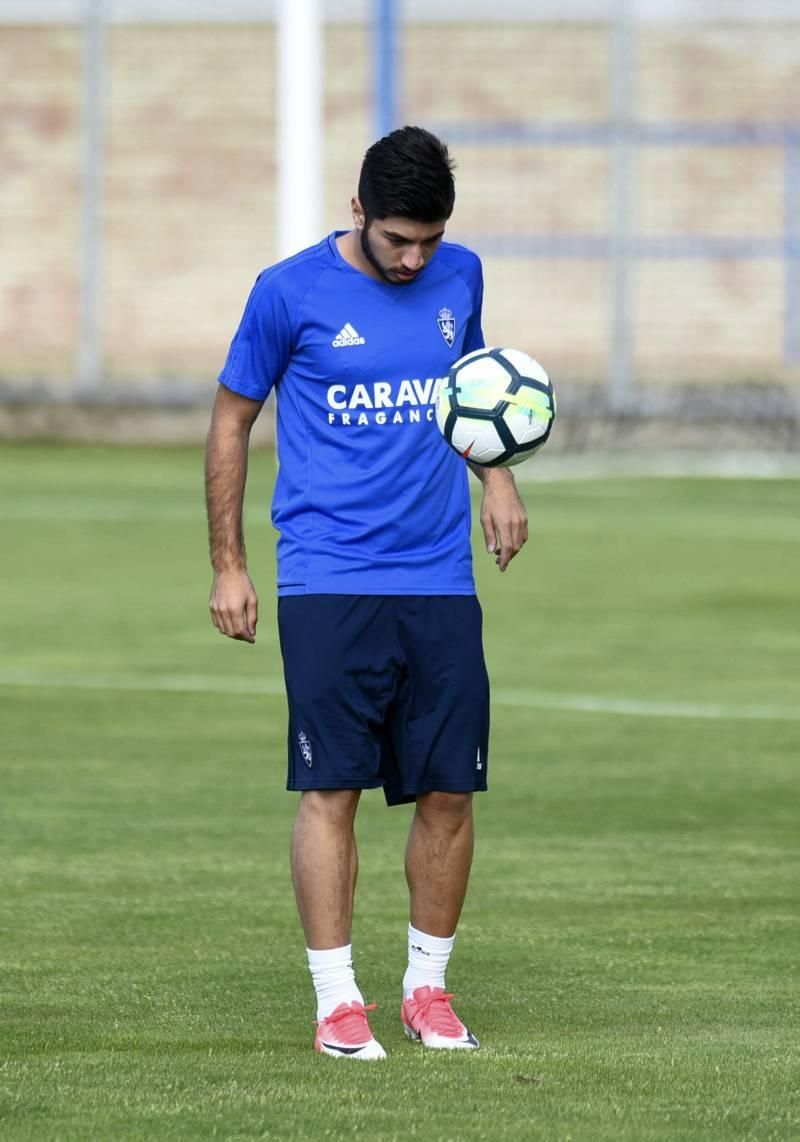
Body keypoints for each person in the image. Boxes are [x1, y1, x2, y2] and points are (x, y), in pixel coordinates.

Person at [205, 126, 528, 1060]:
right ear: (357, 212)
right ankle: (337, 1000)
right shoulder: (288, 292)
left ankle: (428, 990)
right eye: (397, 240)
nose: (414, 258)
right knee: (331, 786)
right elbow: (231, 421)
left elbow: (473, 390)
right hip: (327, 578)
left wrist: (497, 478)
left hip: (439, 578)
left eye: (428, 239)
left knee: (450, 791)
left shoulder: (461, 275)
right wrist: (229, 563)